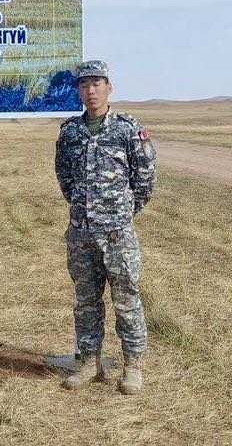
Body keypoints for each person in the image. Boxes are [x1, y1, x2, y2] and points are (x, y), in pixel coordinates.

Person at [54, 60, 156, 395]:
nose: (91, 91)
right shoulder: (70, 132)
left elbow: (145, 179)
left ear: (109, 87)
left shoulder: (127, 128)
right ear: (79, 91)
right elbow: (64, 177)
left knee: (126, 299)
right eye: (84, 85)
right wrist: (84, 210)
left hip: (117, 235)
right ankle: (89, 362)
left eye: (97, 84)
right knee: (86, 301)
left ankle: (132, 366)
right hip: (81, 234)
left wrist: (121, 213)